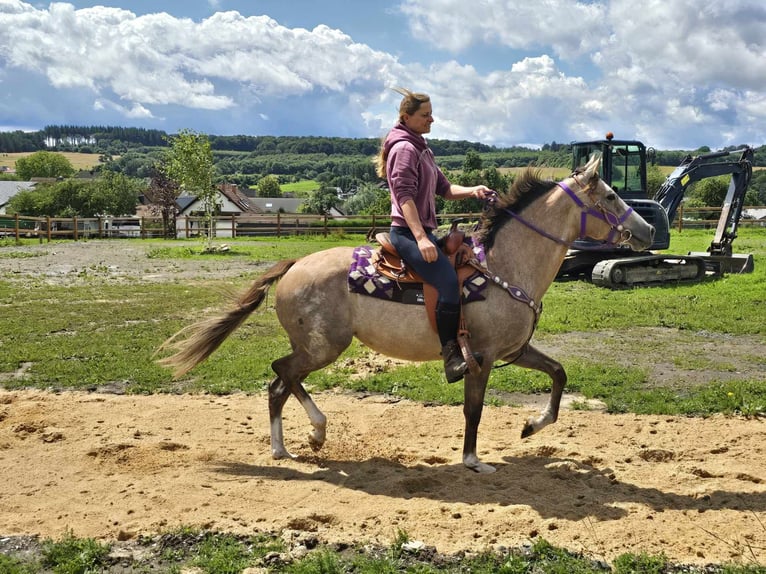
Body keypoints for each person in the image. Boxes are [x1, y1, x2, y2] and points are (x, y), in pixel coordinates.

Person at [374, 87, 491, 383]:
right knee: (448, 282)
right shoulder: (404, 149)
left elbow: (446, 189)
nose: (432, 120)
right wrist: (421, 238)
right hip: (406, 233)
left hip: (421, 230)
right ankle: (451, 357)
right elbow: (404, 197)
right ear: (406, 117)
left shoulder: (422, 148)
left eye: (431, 114)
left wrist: (474, 190)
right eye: (425, 115)